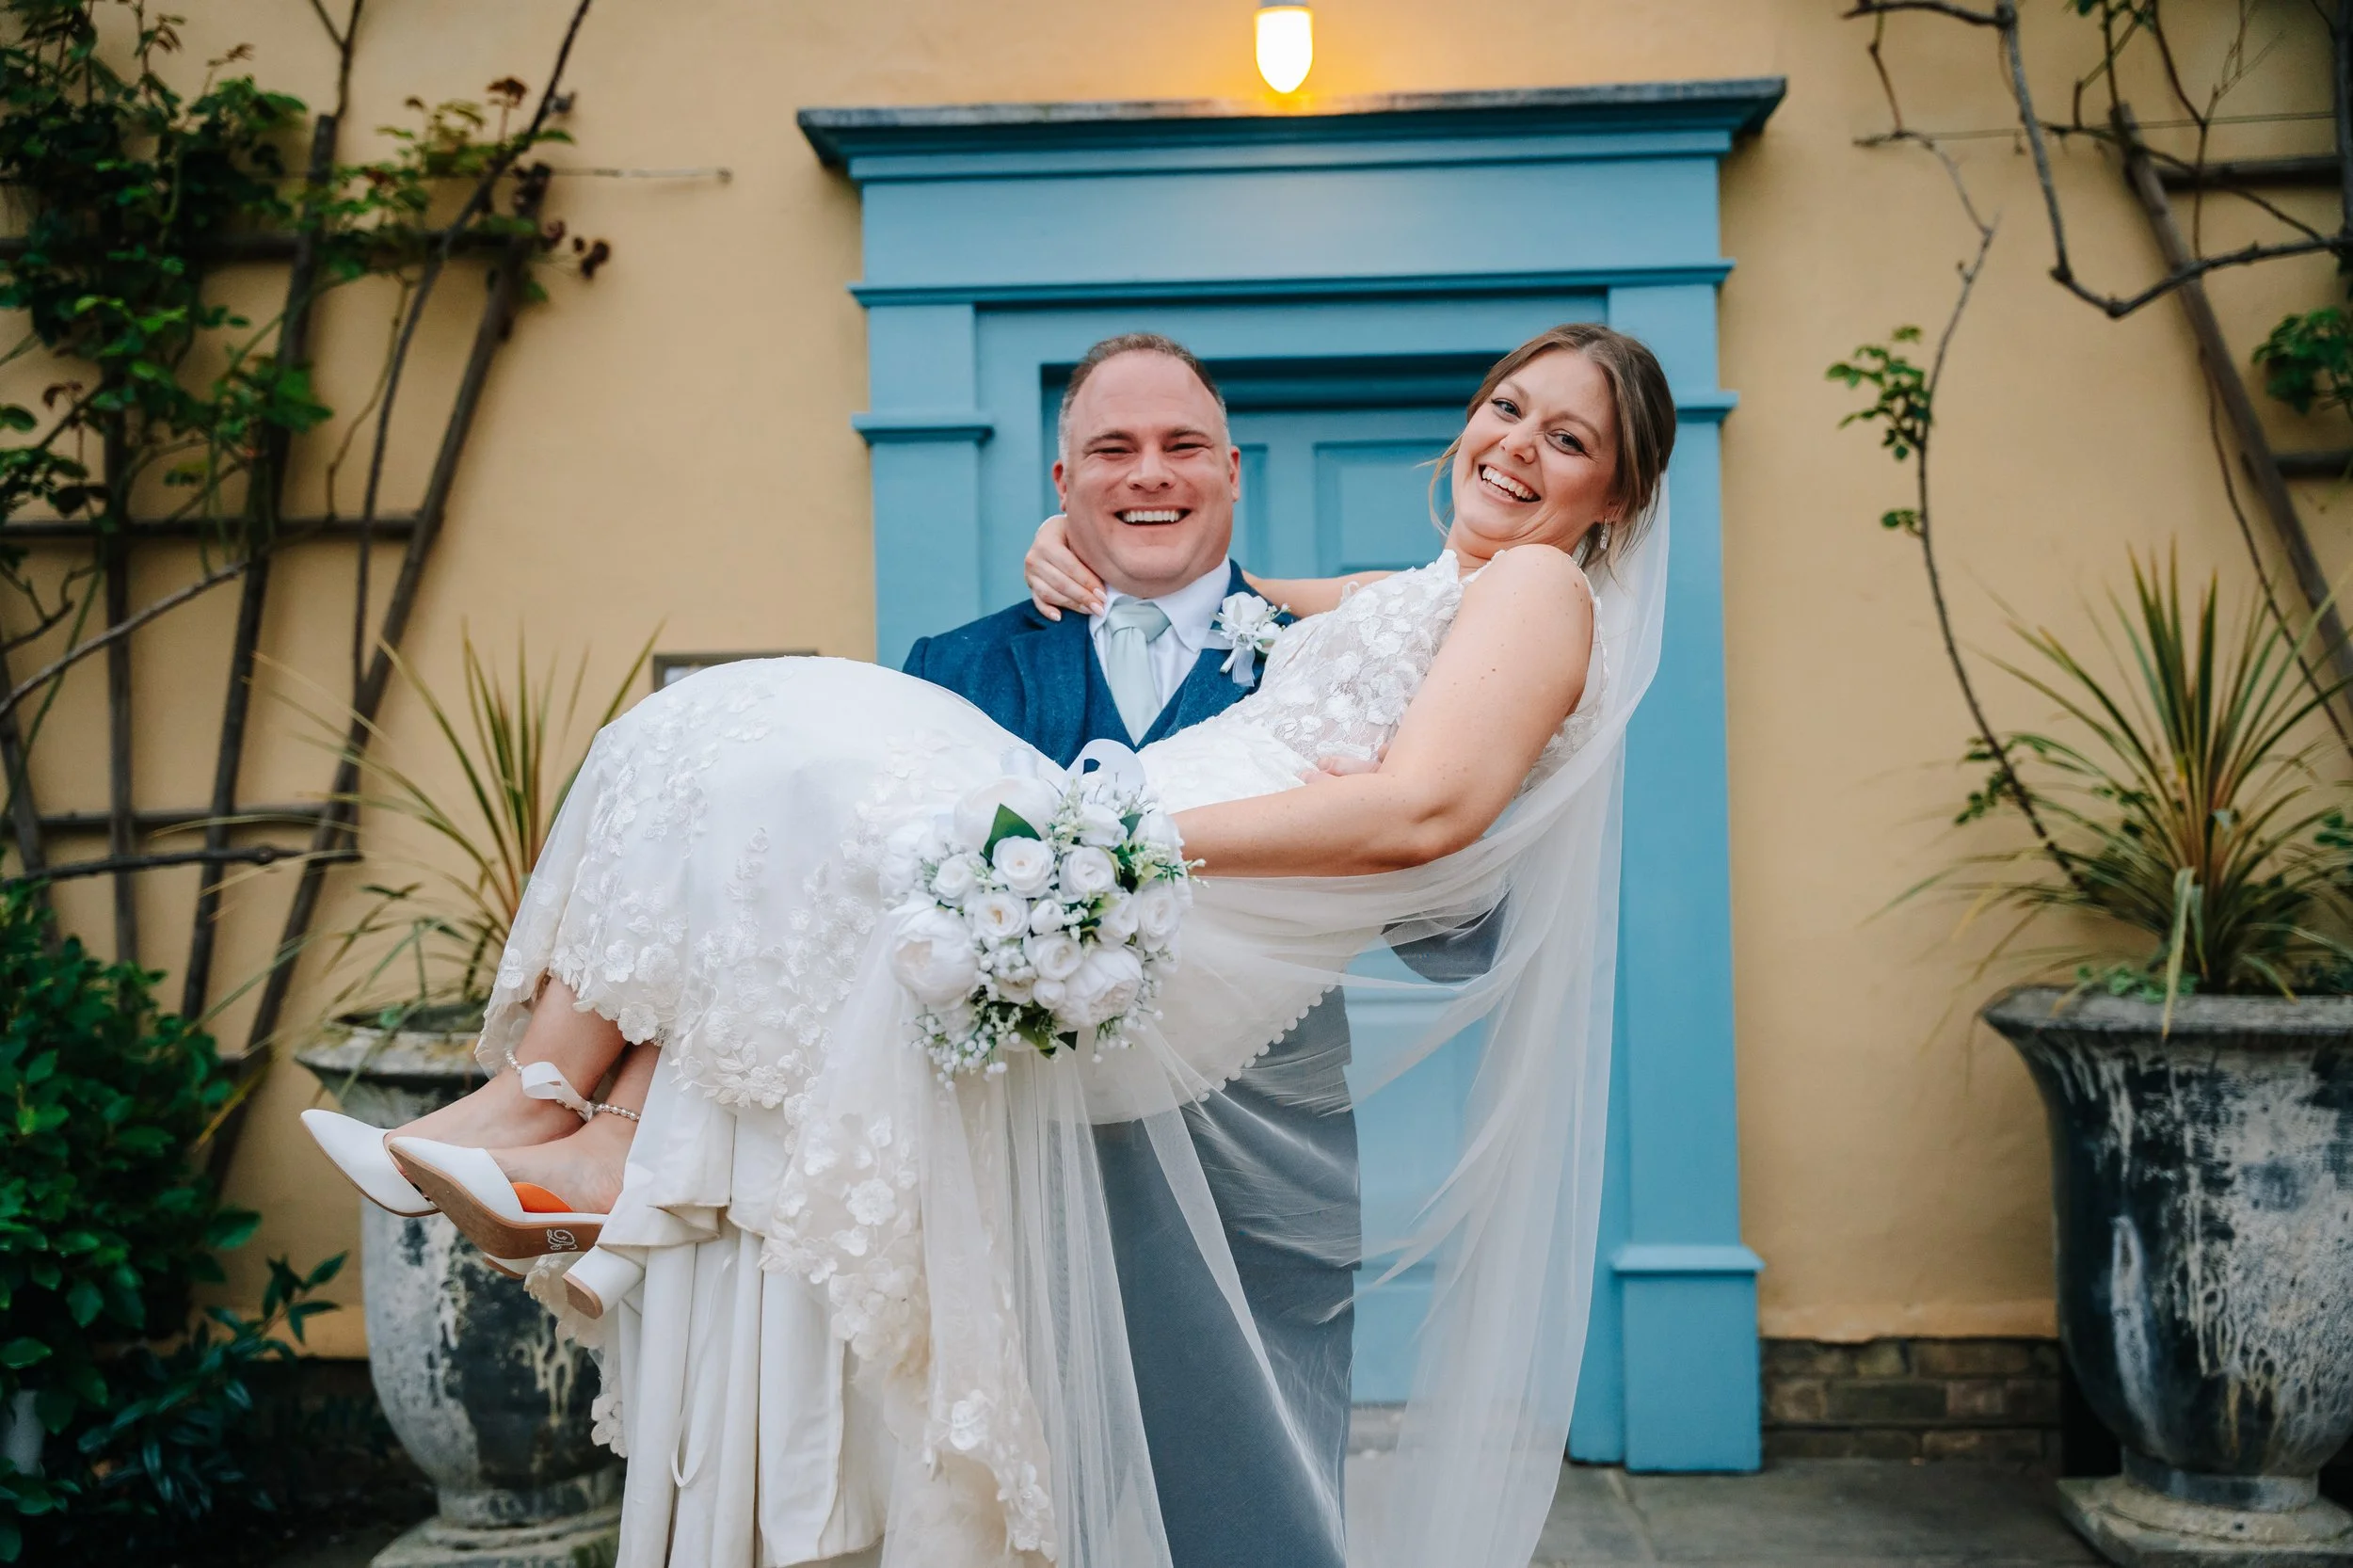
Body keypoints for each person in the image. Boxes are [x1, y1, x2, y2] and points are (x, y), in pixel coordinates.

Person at [304, 321, 1676, 1568]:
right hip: (1095, 914)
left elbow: (1426, 811)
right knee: (735, 773)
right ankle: (565, 1120)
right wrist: (1074, 535)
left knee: (752, 745)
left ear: (1616, 498)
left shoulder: (1539, 598)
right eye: (1508, 406)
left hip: (1155, 924)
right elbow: (1245, 594)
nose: (1517, 446)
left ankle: (577, 1125)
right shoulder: (1432, 589)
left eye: (1569, 439)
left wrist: (1121, 848)